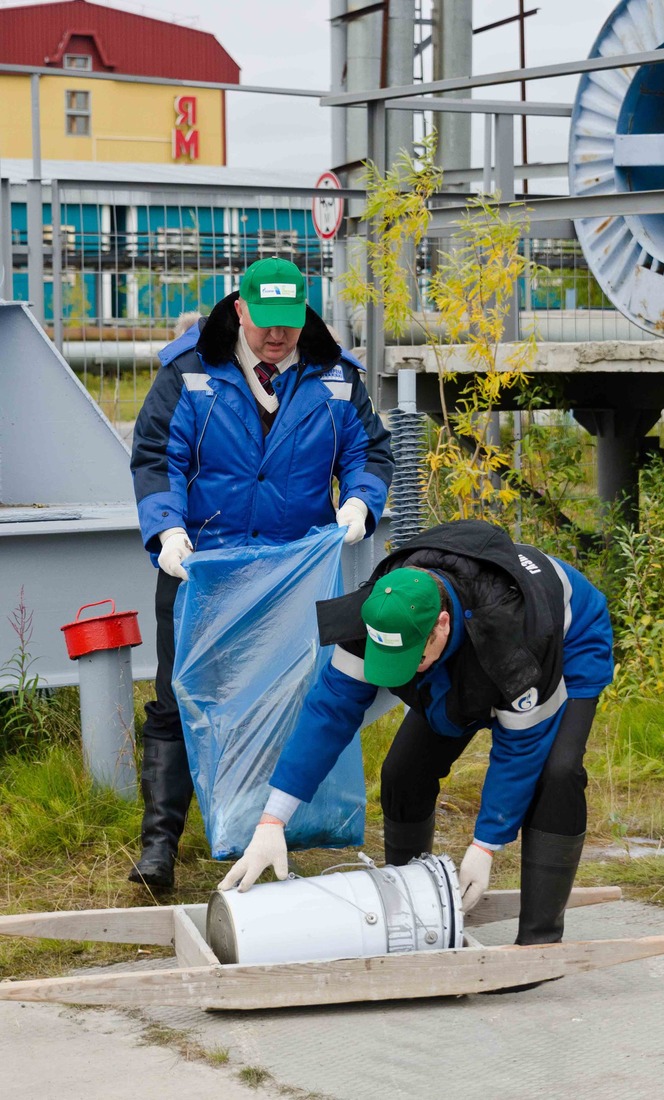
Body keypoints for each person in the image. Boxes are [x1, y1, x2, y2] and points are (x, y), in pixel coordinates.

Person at [219, 519, 614, 949]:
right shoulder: (380, 608)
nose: (401, 672)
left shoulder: (511, 640)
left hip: (565, 639)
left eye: (411, 656)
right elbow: (328, 713)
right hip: (463, 648)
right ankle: (413, 910)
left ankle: (539, 940)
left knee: (557, 773)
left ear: (440, 625)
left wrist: (485, 847)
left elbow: (520, 751)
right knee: (403, 774)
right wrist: (272, 821)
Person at [128, 256, 394, 888]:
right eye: (265, 324)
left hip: (295, 573)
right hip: (203, 569)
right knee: (180, 696)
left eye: (290, 324)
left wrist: (361, 499)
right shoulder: (190, 372)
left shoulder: (333, 376)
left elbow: (369, 449)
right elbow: (155, 455)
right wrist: (166, 529)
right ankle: (159, 846)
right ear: (239, 309)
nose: (278, 338)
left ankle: (269, 828)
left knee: (297, 695)